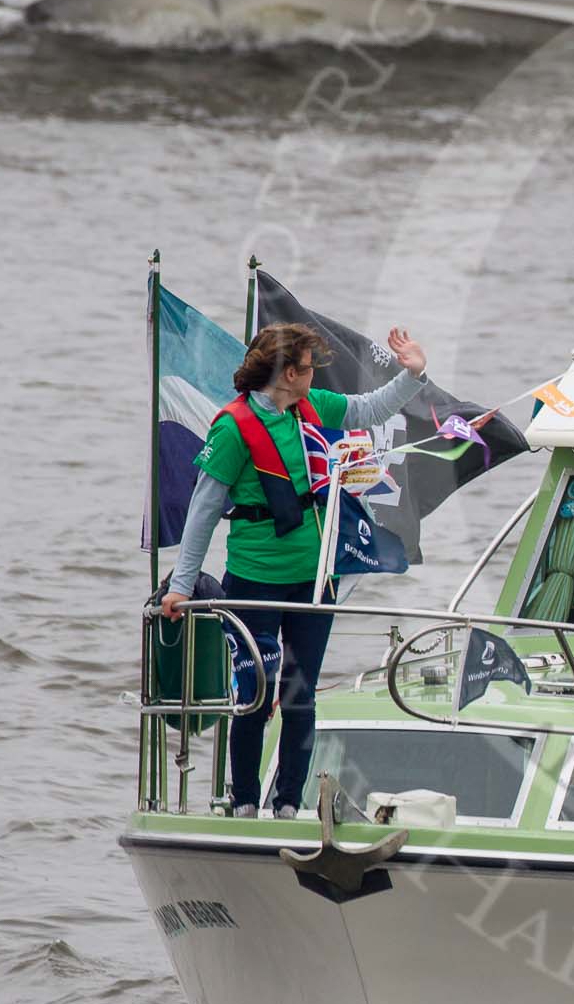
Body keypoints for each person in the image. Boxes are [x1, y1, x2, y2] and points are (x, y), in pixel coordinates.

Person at [158, 322, 433, 817]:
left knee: (300, 697)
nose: (314, 376)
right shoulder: (232, 428)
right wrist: (180, 586)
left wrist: (412, 374)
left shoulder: (310, 408)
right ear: (287, 373)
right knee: (255, 696)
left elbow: (368, 409)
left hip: (312, 583)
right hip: (254, 581)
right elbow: (203, 510)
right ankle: (243, 803)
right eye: (308, 368)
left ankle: (287, 804)